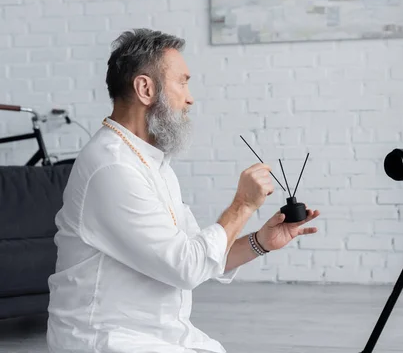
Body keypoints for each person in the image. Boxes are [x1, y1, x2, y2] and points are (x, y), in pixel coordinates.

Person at [46, 28, 320, 353]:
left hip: (162, 335)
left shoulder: (151, 162)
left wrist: (261, 242)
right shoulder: (112, 168)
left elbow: (200, 255)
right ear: (145, 88)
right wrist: (242, 205)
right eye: (182, 82)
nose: (190, 98)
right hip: (109, 341)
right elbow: (187, 268)